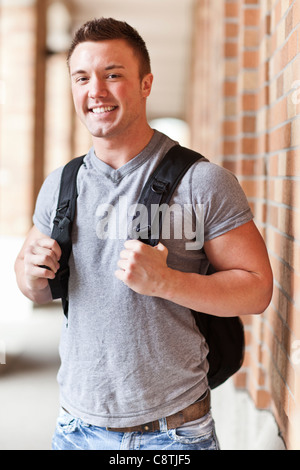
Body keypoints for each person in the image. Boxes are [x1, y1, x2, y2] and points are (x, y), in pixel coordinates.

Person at [14, 17, 273, 451]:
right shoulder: (60, 184)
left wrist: (168, 281)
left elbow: (257, 289)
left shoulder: (202, 181)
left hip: (172, 435)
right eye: (82, 77)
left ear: (145, 83)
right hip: (74, 428)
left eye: (112, 74)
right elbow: (33, 289)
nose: (95, 90)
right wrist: (32, 275)